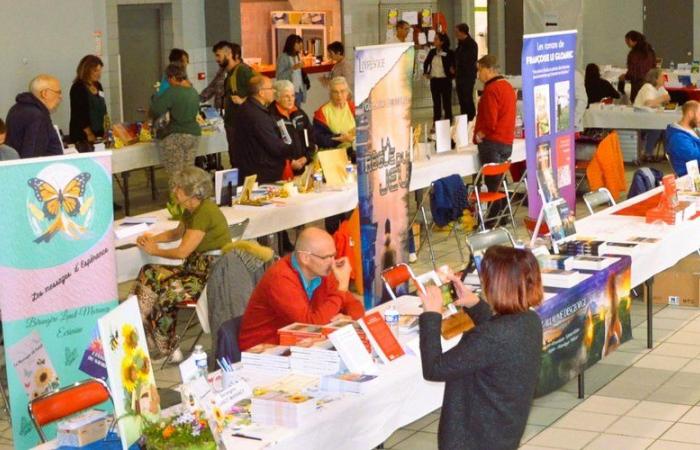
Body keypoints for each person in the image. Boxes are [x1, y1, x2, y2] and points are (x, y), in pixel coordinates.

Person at [418, 245, 543, 450]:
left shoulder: (491, 337)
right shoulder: (530, 320)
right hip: (502, 433)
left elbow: (434, 368)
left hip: (473, 440)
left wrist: (431, 315)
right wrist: (474, 304)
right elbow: (499, 337)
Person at [132, 167, 230, 361]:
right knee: (149, 272)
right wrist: (152, 239)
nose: (174, 191)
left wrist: (155, 250)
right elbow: (176, 233)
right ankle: (140, 324)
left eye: (178, 188)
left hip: (209, 274)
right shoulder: (193, 209)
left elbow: (182, 251)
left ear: (191, 192)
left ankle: (167, 347)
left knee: (165, 292)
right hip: (195, 268)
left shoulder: (205, 212)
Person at [238, 227, 364, 350]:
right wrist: (341, 289)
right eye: (326, 257)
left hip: (299, 344)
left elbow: (354, 305)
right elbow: (310, 326)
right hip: (263, 350)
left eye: (333, 256)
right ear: (305, 258)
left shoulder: (323, 272)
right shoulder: (280, 278)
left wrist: (349, 319)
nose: (332, 263)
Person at [473, 55, 516, 221]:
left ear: (489, 69)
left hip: (493, 142)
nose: (478, 75)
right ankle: (503, 216)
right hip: (507, 141)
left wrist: (479, 135)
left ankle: (492, 218)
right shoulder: (507, 86)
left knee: (493, 184)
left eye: (480, 70)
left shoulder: (491, 90)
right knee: (500, 180)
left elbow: (490, 121)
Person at [236, 75, 294, 183]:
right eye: (271, 88)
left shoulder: (246, 107)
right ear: (261, 93)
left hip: (252, 169)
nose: (274, 91)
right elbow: (274, 146)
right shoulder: (258, 116)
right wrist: (290, 149)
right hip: (262, 173)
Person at [149, 63, 201, 179]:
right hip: (194, 135)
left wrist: (157, 96)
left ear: (172, 77)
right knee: (188, 173)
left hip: (177, 135)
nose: (168, 82)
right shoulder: (193, 91)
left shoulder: (173, 91)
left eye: (168, 79)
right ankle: (189, 195)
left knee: (176, 175)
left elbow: (156, 110)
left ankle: (176, 196)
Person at [213, 41, 255, 168]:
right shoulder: (230, 72)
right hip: (234, 124)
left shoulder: (242, 71)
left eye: (218, 55)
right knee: (236, 160)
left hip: (241, 126)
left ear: (229, 54)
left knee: (241, 161)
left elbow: (260, 90)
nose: (217, 59)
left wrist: (244, 101)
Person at [6, 75, 64, 159]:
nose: (60, 96)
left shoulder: (16, 108)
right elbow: (34, 156)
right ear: (45, 93)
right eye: (58, 92)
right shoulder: (37, 117)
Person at [269, 79, 314, 176]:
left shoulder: (300, 113)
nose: (291, 100)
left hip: (304, 166)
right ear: (277, 97)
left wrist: (307, 157)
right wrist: (289, 161)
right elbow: (271, 146)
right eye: (286, 96)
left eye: (293, 96)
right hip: (283, 170)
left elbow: (311, 137)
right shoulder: (270, 116)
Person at [69, 55, 107, 152]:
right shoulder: (78, 87)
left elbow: (103, 106)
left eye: (100, 70)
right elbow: (79, 114)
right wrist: (89, 133)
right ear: (86, 70)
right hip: (83, 134)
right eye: (95, 71)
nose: (99, 74)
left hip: (99, 131)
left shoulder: (98, 85)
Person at [313, 76, 356, 157]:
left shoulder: (354, 108)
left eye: (342, 91)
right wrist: (339, 138)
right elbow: (318, 138)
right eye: (335, 92)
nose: (339, 95)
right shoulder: (322, 112)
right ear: (330, 94)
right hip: (334, 154)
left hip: (355, 150)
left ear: (347, 92)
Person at [635, 68, 670, 162]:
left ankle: (667, 154)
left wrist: (664, 99)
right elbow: (648, 103)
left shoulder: (660, 88)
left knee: (667, 127)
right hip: (640, 119)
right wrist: (662, 99)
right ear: (655, 79)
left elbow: (668, 98)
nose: (664, 79)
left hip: (651, 118)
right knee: (657, 127)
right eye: (662, 77)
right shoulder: (647, 87)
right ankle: (647, 153)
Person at [423, 32, 455, 124]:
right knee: (436, 103)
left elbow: (454, 65)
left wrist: (453, 72)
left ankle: (449, 121)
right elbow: (426, 62)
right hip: (434, 80)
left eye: (436, 39)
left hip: (445, 80)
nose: (434, 41)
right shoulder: (432, 52)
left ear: (442, 41)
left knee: (446, 103)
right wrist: (426, 73)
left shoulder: (449, 53)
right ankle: (436, 121)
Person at [619, 30, 656, 103]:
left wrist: (625, 76)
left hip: (638, 84)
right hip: (650, 83)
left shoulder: (633, 54)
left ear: (630, 40)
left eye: (626, 41)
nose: (626, 43)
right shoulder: (649, 50)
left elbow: (633, 72)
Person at [665, 100, 700, 176]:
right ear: (690, 114)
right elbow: (696, 157)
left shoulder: (689, 129)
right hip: (690, 177)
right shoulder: (678, 138)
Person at [454, 23, 478, 120]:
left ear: (462, 32)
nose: (455, 34)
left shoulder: (471, 44)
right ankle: (463, 118)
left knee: (467, 98)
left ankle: (471, 118)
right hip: (459, 75)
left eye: (457, 32)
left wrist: (459, 64)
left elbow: (469, 59)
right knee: (461, 99)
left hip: (467, 76)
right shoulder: (460, 43)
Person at [276, 34, 307, 106]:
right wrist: (293, 68)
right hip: (289, 91)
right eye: (298, 43)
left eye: (301, 43)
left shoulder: (297, 56)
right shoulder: (283, 57)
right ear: (291, 44)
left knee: (297, 113)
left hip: (299, 90)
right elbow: (279, 76)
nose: (301, 45)